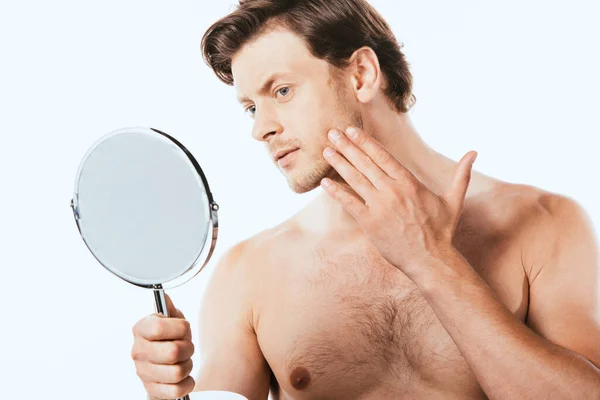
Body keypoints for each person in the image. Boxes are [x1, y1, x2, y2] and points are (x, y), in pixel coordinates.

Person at [130, 0, 600, 399]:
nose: (260, 129)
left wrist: (432, 261)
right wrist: (169, 391)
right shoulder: (248, 274)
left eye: (282, 91)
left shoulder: (543, 223)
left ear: (361, 74)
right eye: (252, 107)